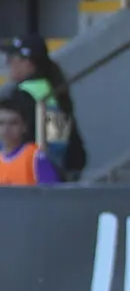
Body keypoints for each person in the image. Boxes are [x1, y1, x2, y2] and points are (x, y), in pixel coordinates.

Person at [3, 34, 85, 178]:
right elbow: (59, 139)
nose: (8, 64)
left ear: (28, 63)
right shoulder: (51, 88)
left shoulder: (25, 93)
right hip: (64, 164)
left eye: (12, 59)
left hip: (37, 169)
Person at [0, 98, 58, 185]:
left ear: (24, 127)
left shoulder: (36, 157)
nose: (6, 129)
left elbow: (53, 196)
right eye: (1, 123)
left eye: (13, 123)